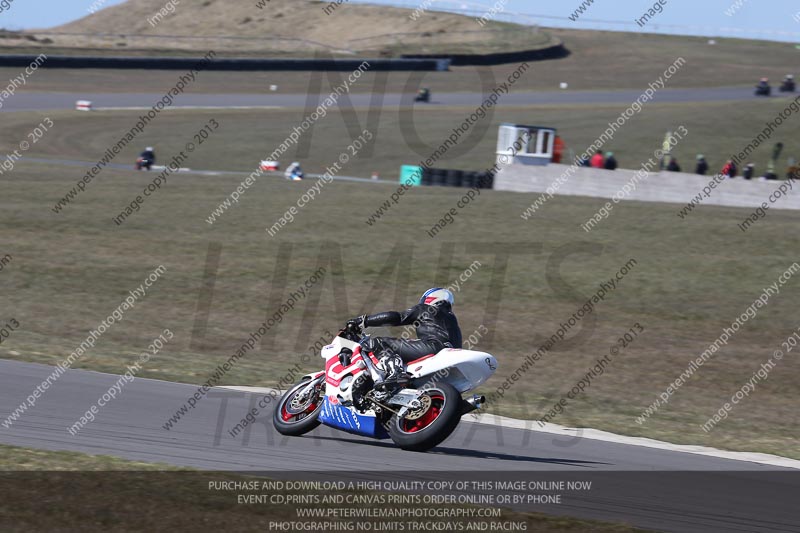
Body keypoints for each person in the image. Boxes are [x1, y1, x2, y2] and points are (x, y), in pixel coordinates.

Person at [347, 288, 462, 388]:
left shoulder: (425, 309)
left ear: (430, 298)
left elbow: (397, 317)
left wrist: (364, 321)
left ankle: (396, 373)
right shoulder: (453, 321)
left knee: (379, 342)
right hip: (449, 357)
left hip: (432, 348)